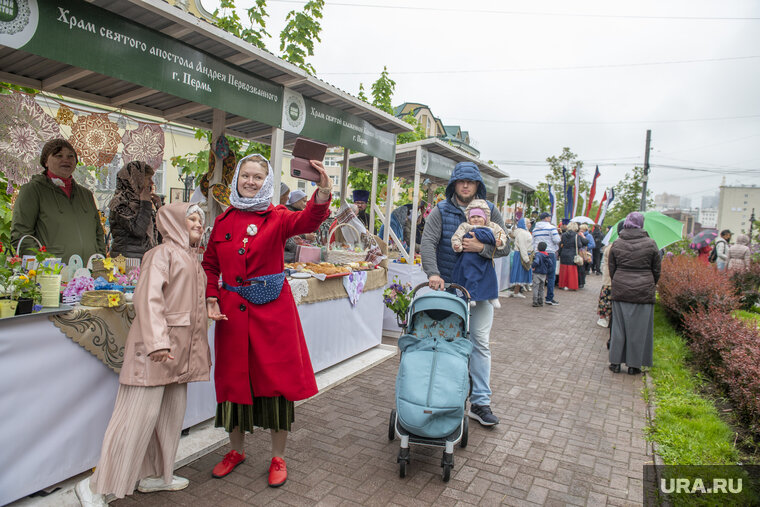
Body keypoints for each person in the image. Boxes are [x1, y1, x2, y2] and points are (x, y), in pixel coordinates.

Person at [202, 154, 332, 487]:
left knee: (276, 384)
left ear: (267, 181)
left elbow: (308, 220)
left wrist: (322, 192)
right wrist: (211, 296)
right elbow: (210, 264)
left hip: (272, 314)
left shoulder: (278, 217)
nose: (250, 181)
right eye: (245, 175)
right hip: (232, 314)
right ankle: (236, 451)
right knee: (232, 383)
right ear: (236, 179)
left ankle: (278, 456)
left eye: (257, 177)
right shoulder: (223, 220)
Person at [74, 203, 214, 506]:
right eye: (191, 218)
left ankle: (156, 475)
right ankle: (96, 486)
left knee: (169, 417)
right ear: (173, 222)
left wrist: (208, 312)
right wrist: (157, 342)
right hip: (156, 352)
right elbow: (148, 300)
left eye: (200, 220)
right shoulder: (161, 255)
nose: (198, 224)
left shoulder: (192, 259)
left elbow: (184, 301)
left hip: (179, 354)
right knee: (135, 418)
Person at [420, 161, 508, 426]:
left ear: (477, 185)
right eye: (461, 181)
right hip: (449, 288)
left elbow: (506, 247)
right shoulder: (441, 210)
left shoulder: (491, 211)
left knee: (479, 342)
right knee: (446, 342)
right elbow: (428, 241)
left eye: (471, 182)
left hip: (480, 289)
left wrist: (481, 247)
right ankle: (446, 397)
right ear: (454, 185)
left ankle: (480, 402)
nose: (466, 186)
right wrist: (432, 273)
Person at [11, 138, 105, 262]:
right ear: (45, 161)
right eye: (58, 156)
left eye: (70, 156)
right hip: (53, 273)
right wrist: (42, 264)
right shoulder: (33, 190)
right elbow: (21, 234)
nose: (65, 160)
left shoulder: (86, 194)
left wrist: (99, 258)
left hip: (88, 271)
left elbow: (98, 232)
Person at [608, 212, 661, 375]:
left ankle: (615, 363)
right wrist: (650, 283)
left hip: (621, 288)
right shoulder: (651, 244)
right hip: (643, 291)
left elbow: (612, 268)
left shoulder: (617, 243)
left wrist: (619, 281)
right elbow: (656, 270)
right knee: (639, 330)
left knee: (618, 328)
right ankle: (634, 366)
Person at [450, 200, 507, 308]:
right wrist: (457, 246)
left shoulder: (492, 226)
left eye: (479, 216)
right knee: (470, 277)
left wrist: (499, 241)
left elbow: (501, 234)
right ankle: (471, 296)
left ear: (485, 218)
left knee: (490, 277)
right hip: (468, 258)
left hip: (485, 258)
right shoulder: (465, 226)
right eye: (473, 217)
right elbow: (456, 236)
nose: (476, 219)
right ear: (469, 218)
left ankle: (493, 296)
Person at [108, 161, 162, 260]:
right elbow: (138, 231)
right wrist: (145, 203)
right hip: (126, 262)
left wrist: (160, 209)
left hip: (144, 259)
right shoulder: (119, 202)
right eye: (148, 178)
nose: (152, 183)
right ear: (136, 180)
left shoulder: (140, 202)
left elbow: (160, 234)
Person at [531, 212, 561, 305]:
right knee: (551, 276)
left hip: (538, 253)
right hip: (550, 253)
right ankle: (549, 298)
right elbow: (557, 240)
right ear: (547, 218)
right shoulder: (552, 228)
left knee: (538, 275)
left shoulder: (535, 229)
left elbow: (533, 242)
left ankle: (537, 298)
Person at [597, 222, 622, 328]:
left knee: (607, 298)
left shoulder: (614, 245)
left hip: (611, 278)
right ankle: (602, 317)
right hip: (609, 278)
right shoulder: (613, 247)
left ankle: (605, 317)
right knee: (607, 298)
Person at [508, 217, 533, 298]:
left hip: (523, 254)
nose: (530, 224)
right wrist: (526, 259)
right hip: (521, 254)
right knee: (520, 273)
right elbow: (522, 247)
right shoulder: (523, 233)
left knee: (521, 272)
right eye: (528, 223)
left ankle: (517, 290)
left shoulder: (525, 232)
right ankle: (516, 292)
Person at [558, 222, 587, 291]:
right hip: (572, 254)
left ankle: (562, 285)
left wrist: (559, 253)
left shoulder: (564, 235)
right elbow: (580, 244)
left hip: (564, 253)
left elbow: (561, 244)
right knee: (572, 271)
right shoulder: (576, 235)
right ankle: (572, 285)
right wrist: (582, 237)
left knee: (563, 270)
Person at [531, 241, 552, 307]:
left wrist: (533, 266)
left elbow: (536, 261)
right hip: (544, 273)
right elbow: (550, 263)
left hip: (537, 272)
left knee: (535, 287)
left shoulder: (538, 254)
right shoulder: (546, 255)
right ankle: (541, 301)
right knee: (541, 288)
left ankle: (535, 301)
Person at [578, 224, 595, 288]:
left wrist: (586, 248)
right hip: (580, 254)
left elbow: (593, 244)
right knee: (581, 268)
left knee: (583, 268)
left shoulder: (589, 236)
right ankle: (580, 282)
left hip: (585, 254)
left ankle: (582, 282)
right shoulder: (579, 234)